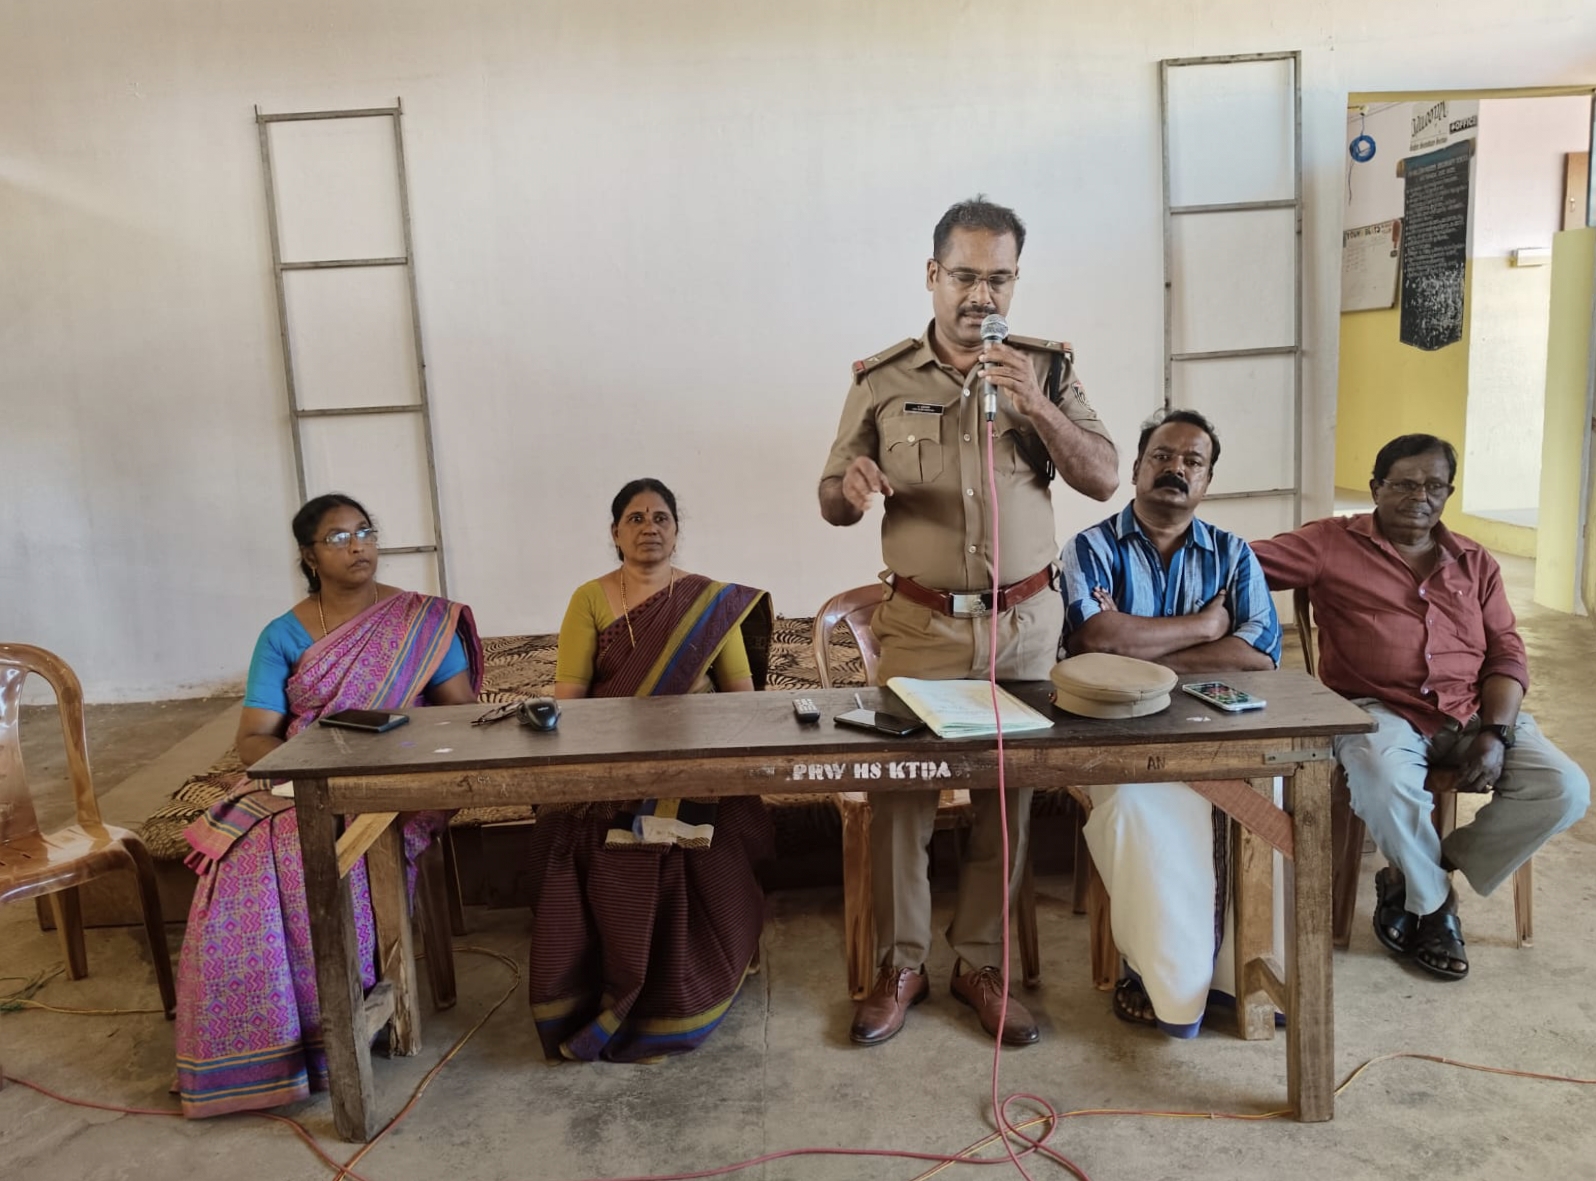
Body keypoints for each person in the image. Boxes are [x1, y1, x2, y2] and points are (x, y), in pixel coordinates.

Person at [818, 196, 1119, 1048]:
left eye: (999, 278)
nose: (981, 295)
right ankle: (901, 965)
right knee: (902, 796)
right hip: (921, 628)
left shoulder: (1046, 369)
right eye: (964, 276)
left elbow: (1104, 477)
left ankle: (981, 962)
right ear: (932, 275)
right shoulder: (881, 379)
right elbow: (831, 493)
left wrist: (1038, 407)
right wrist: (848, 491)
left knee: (1005, 799)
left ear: (1015, 281)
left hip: (1024, 625)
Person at [174, 493, 482, 1118]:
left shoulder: (420, 621)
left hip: (398, 782)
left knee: (314, 847)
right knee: (245, 853)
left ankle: (338, 1021)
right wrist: (304, 774)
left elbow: (462, 715)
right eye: (338, 538)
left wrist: (411, 759)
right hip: (305, 779)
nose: (357, 545)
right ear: (309, 557)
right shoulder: (283, 634)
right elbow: (255, 736)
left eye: (365, 531)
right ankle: (277, 1040)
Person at [1252, 434, 1589, 981]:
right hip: (1378, 709)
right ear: (1375, 488)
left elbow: (1506, 651)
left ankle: (1416, 874)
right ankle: (1435, 910)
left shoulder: (1475, 562)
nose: (1420, 497)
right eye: (1405, 484)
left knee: (1565, 788)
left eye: (1434, 486)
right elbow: (1239, 564)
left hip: (1473, 711)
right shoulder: (1330, 543)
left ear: (1449, 492)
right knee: (1382, 778)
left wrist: (1496, 733)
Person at [528, 478, 775, 1062]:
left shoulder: (710, 602)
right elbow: (570, 702)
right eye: (635, 518)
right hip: (611, 757)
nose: (649, 528)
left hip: (695, 757)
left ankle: (692, 986)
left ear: (677, 530)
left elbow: (741, 699)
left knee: (718, 835)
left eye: (660, 517)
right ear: (615, 533)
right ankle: (596, 985)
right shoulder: (589, 598)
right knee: (571, 831)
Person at [1060, 409, 1282, 1035]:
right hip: (1116, 738)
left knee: (1273, 804)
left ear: (1208, 480)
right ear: (1136, 467)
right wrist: (1208, 627)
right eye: (1162, 456)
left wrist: (1141, 651)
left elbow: (1260, 654)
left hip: (1218, 731)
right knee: (1139, 812)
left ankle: (1241, 979)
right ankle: (1164, 983)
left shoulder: (1234, 555)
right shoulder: (1089, 548)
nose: (1175, 469)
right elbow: (1094, 642)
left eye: (1193, 462)